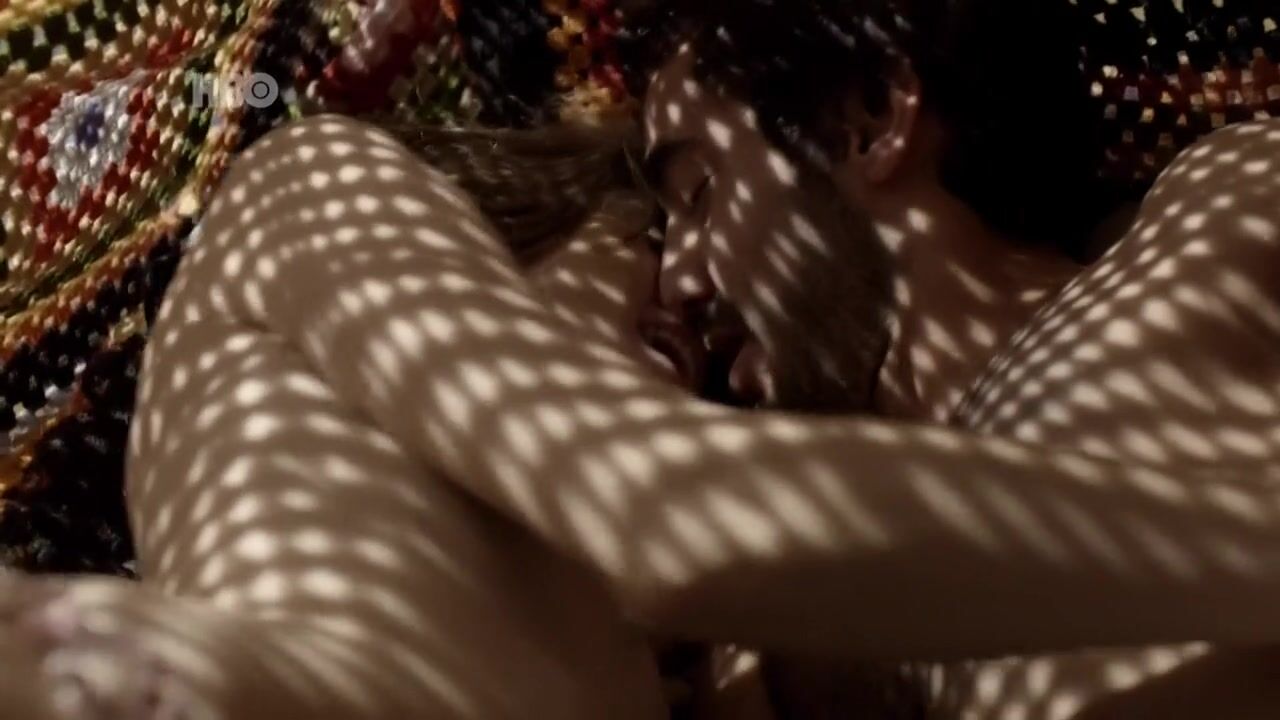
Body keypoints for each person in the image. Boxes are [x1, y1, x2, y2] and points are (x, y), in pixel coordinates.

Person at [2, 1, 1280, 719]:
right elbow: (681, 514)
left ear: (867, 117)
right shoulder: (756, 631)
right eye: (655, 227)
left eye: (699, 194)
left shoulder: (1206, 225)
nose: (683, 284)